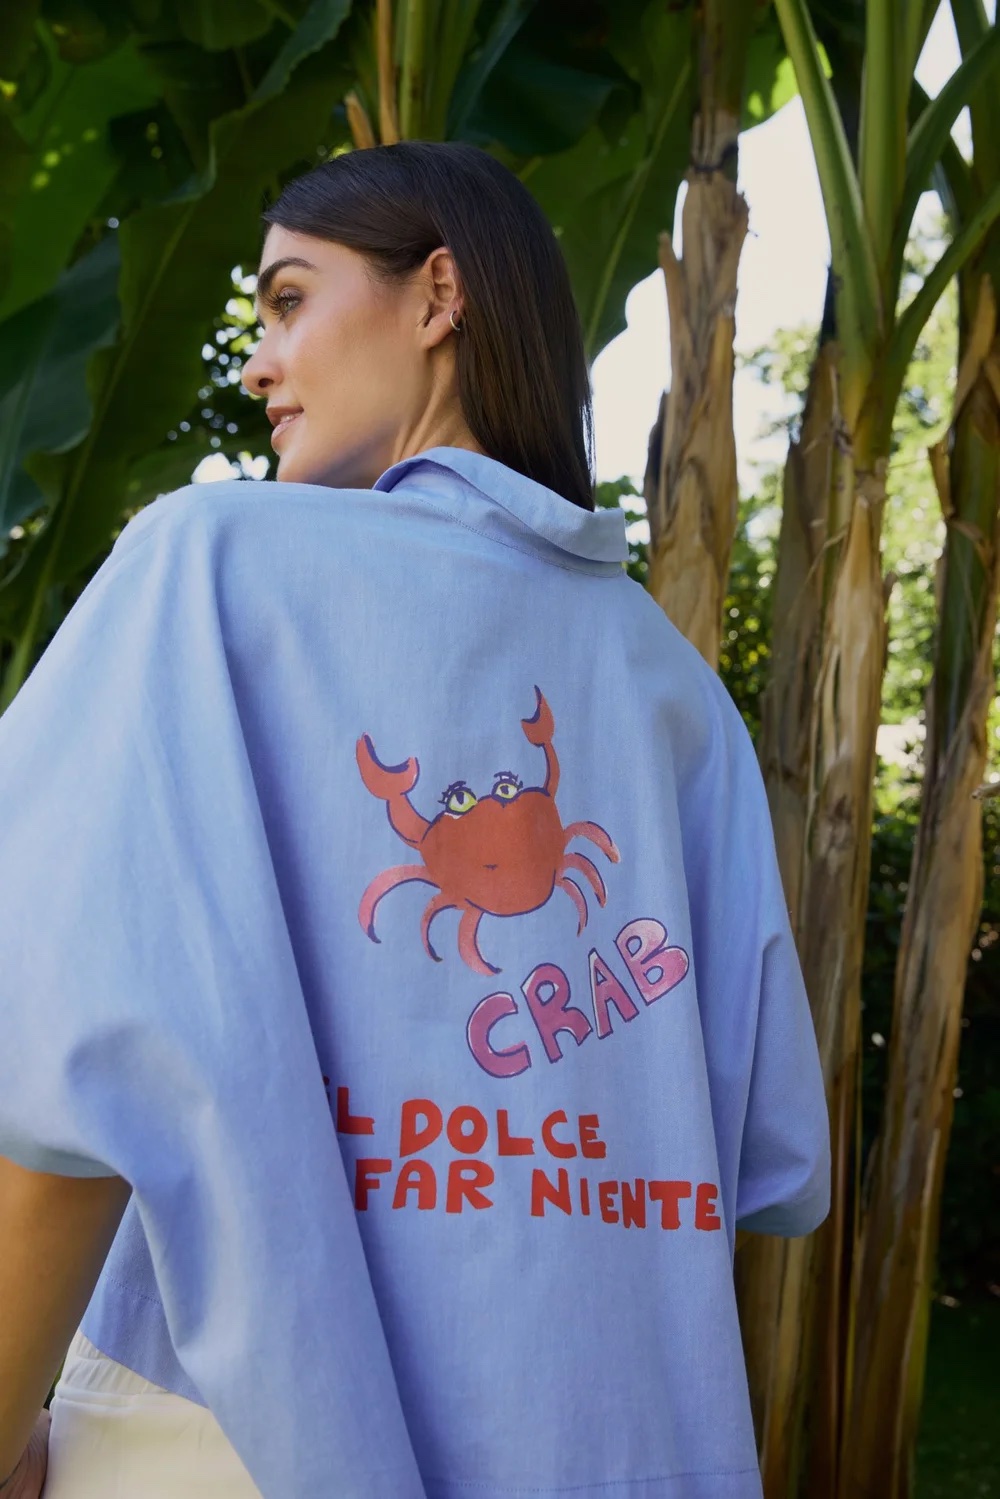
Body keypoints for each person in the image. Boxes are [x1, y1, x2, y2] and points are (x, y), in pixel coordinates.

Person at [0, 141, 830, 1499]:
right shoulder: (677, 695)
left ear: (438, 295)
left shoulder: (208, 571)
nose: (258, 363)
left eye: (288, 301)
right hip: (613, 1447)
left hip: (233, 1437)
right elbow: (765, 1161)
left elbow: (65, 1071)